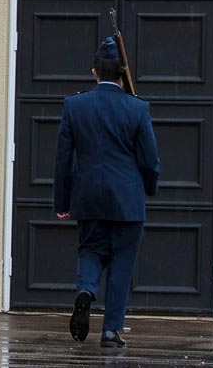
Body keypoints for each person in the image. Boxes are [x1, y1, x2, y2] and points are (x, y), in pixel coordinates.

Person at [53, 37, 161, 348]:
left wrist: (62, 201)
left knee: (90, 250)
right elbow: (150, 159)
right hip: (127, 199)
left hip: (88, 197)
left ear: (94, 72)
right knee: (122, 264)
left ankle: (86, 290)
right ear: (121, 74)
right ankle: (111, 330)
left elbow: (63, 159)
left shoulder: (74, 106)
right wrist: (150, 188)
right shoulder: (138, 108)